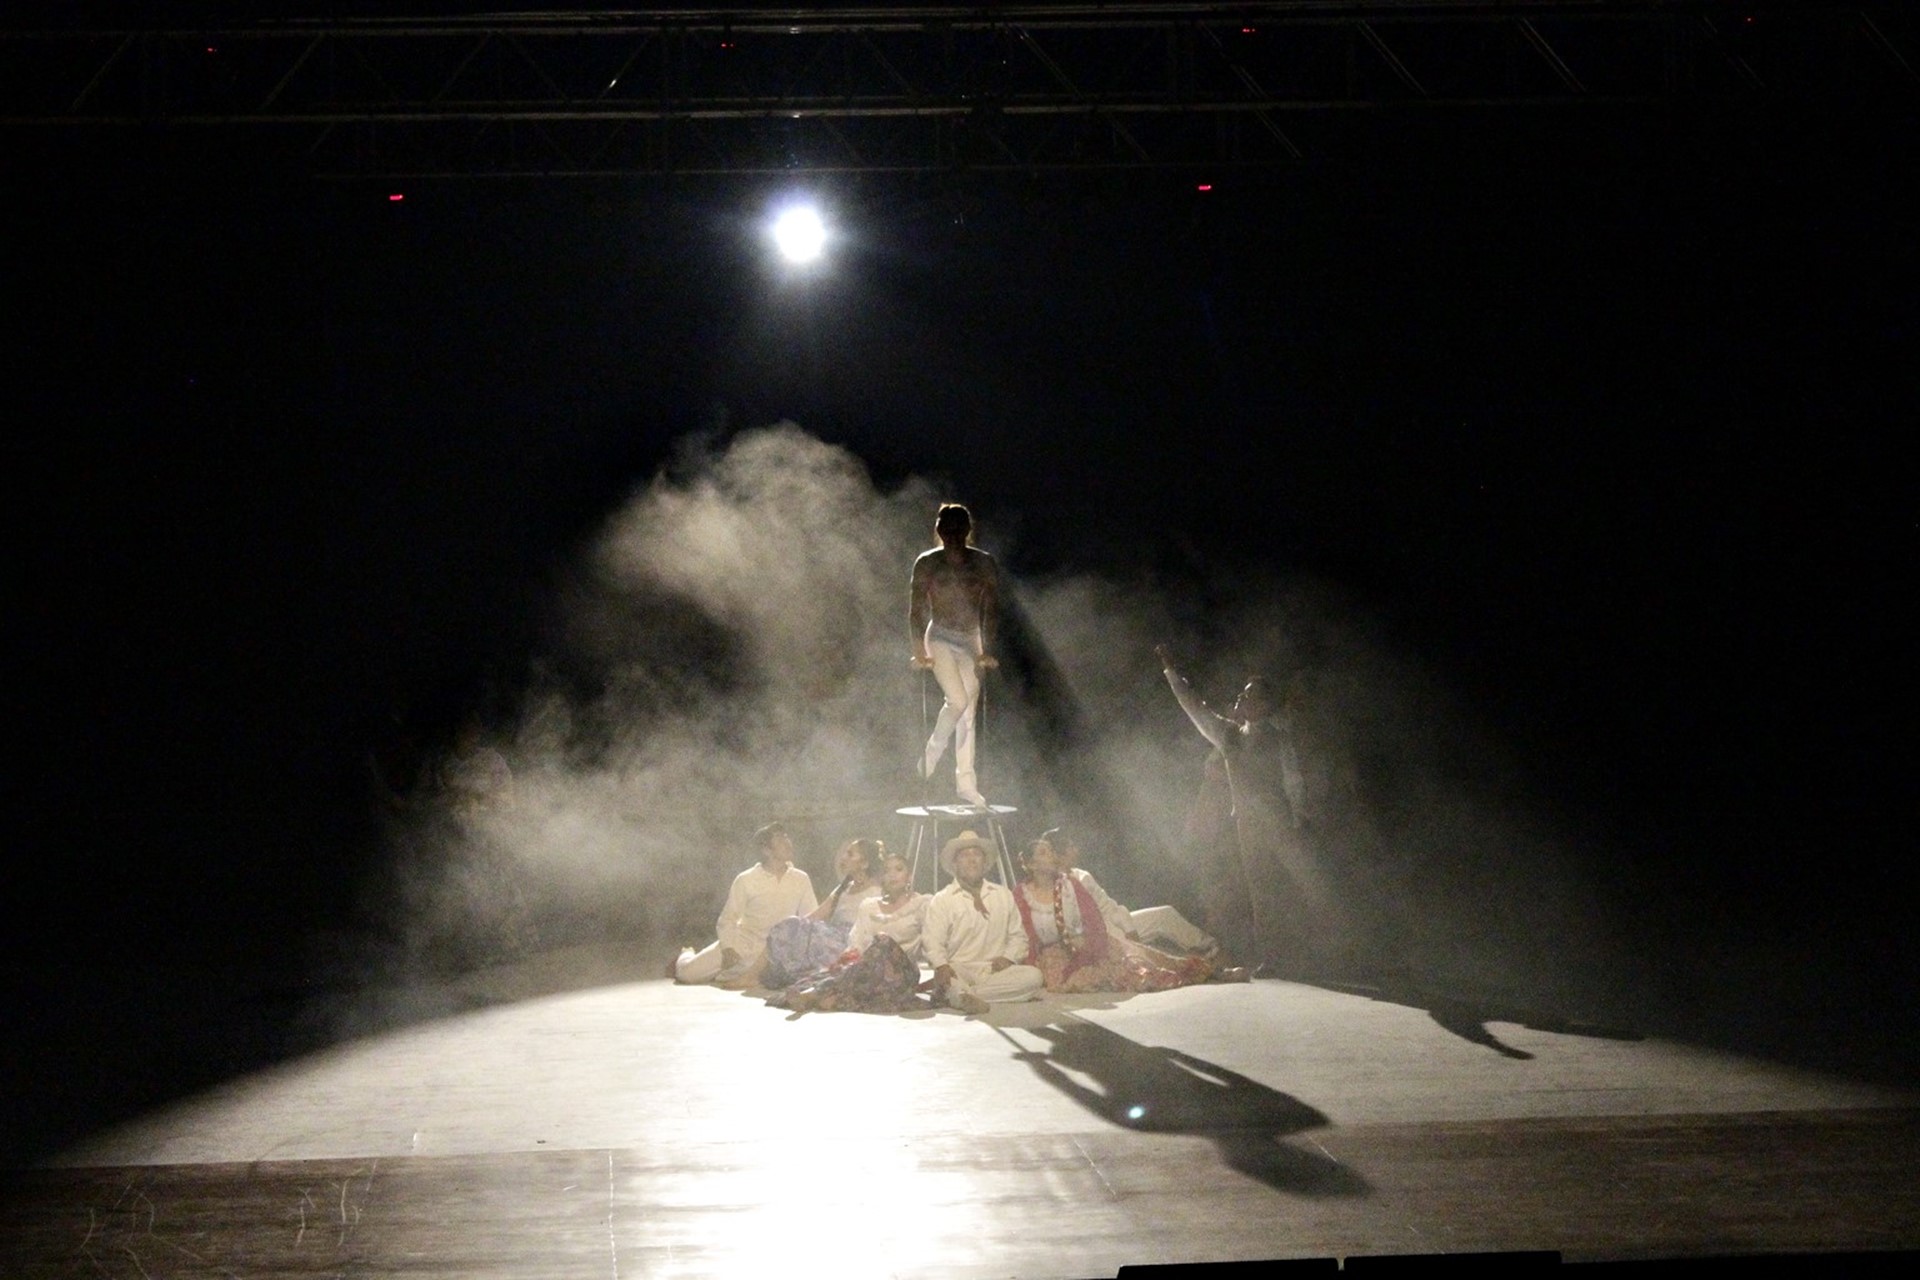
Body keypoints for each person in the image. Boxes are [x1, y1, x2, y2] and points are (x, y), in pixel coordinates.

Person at [1157, 646, 1329, 972]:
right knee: (1261, 892)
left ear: (1263, 705)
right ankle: (1275, 957)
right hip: (1249, 827)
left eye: (1249, 695)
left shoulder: (1278, 738)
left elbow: (1292, 779)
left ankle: (1315, 951)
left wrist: (1299, 818)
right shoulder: (1230, 735)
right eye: (1243, 693)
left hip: (1282, 824)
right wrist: (1171, 673)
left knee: (1297, 886)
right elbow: (1196, 708)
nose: (1240, 697)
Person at [1011, 838, 1213, 994]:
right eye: (1044, 852)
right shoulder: (1022, 894)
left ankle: (1205, 960)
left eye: (1051, 850)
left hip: (1089, 941)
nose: (1052, 856)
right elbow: (1024, 934)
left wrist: (1089, 943)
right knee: (1110, 973)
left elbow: (1096, 917)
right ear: (1031, 864)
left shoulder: (1071, 883)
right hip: (1053, 956)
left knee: (1140, 963)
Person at [908, 503, 1000, 807]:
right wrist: (918, 650)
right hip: (940, 636)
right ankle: (931, 754)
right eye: (947, 530)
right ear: (939, 530)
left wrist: (986, 650)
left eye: (958, 530)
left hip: (970, 637)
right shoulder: (927, 563)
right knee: (958, 700)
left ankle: (966, 784)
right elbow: (916, 609)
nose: (953, 536)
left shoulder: (983, 563)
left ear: (967, 531)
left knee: (967, 711)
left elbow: (991, 609)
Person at [779, 851, 930, 1014]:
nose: (892, 875)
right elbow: (856, 944)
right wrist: (846, 962)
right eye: (887, 871)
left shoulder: (922, 904)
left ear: (909, 876)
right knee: (838, 969)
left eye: (899, 869)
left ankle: (818, 993)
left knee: (883, 941)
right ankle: (831, 996)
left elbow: (932, 942)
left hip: (901, 973)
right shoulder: (869, 906)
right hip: (870, 972)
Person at [673, 822, 817, 988]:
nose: (787, 842)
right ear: (766, 850)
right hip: (743, 945)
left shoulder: (801, 878)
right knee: (687, 974)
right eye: (780, 839)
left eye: (787, 838)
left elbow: (811, 918)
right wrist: (728, 948)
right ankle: (687, 954)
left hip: (777, 950)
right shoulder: (746, 879)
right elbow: (728, 918)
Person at [1042, 827, 1223, 960]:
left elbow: (1110, 908)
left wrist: (1128, 927)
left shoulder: (1082, 875)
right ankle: (1195, 960)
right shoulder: (1057, 884)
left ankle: (1208, 945)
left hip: (1118, 922)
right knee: (1156, 957)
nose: (1076, 850)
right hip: (1103, 934)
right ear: (1059, 854)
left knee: (1165, 914)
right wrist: (1127, 934)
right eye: (1071, 847)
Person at [920, 830, 1043, 1015]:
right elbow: (932, 941)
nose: (972, 860)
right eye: (965, 855)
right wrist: (942, 966)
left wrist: (1008, 958)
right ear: (955, 863)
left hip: (994, 972)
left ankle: (965, 996)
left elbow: (1018, 936)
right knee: (949, 980)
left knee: (1034, 976)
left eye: (976, 854)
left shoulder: (1003, 894)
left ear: (985, 862)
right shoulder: (943, 899)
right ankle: (959, 992)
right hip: (959, 968)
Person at [761, 838, 884, 988]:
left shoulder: (877, 892)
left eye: (850, 854)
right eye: (845, 853)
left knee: (813, 934)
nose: (843, 857)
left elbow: (872, 934)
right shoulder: (843, 889)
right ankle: (755, 975)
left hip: (850, 944)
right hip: (829, 936)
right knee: (790, 925)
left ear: (864, 864)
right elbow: (815, 916)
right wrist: (793, 929)